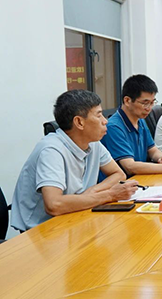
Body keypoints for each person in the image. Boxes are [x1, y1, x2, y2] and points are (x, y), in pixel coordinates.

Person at [11, 90, 138, 231]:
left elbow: (118, 174)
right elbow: (54, 205)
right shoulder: (51, 150)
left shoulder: (93, 143)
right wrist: (109, 195)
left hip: (76, 216)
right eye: (98, 115)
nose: (105, 121)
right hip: (42, 230)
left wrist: (92, 191)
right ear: (79, 122)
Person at [100, 75, 162, 178]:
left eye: (152, 102)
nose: (149, 108)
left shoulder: (140, 120)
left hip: (141, 178)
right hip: (123, 183)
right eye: (145, 103)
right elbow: (130, 166)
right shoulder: (114, 127)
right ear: (127, 101)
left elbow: (153, 150)